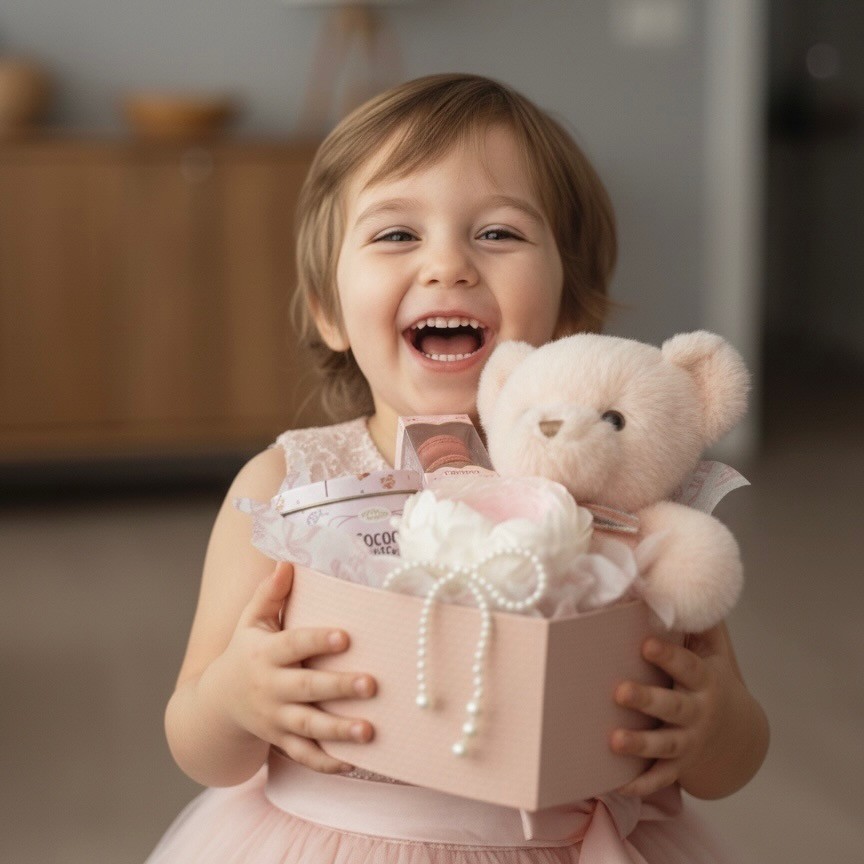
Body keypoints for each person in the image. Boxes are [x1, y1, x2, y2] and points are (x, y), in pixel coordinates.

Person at [146, 73, 769, 863]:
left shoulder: (632, 503)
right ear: (327, 310)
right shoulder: (283, 490)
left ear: (571, 308)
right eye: (397, 235)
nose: (449, 266)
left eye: (499, 234)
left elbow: (737, 751)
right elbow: (195, 739)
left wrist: (710, 730)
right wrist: (238, 698)